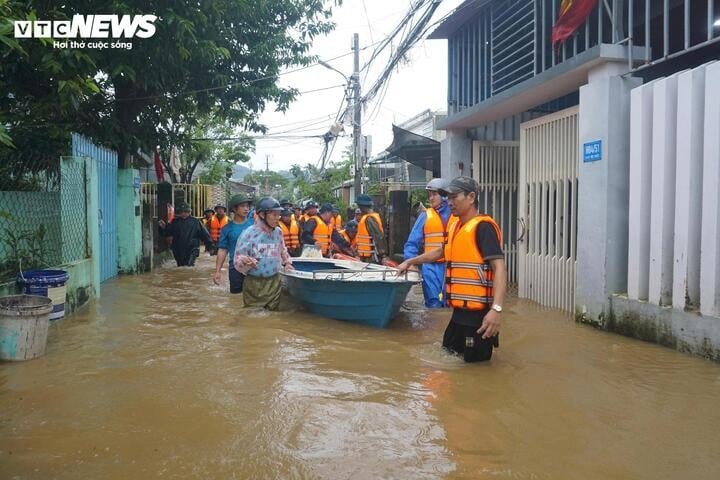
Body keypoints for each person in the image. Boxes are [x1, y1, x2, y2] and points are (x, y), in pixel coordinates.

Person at [397, 177, 507, 363]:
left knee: (476, 371)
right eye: (447, 197)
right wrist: (411, 261)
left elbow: (500, 268)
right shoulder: (455, 225)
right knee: (448, 357)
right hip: (458, 315)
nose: (449, 202)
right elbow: (441, 251)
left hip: (478, 319)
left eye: (454, 196)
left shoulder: (483, 227)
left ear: (471, 197)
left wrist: (496, 310)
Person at [403, 178, 457, 308]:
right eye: (429, 195)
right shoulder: (425, 216)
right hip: (430, 267)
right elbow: (411, 243)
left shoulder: (458, 215)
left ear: (444, 195)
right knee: (433, 303)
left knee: (452, 303)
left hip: (452, 266)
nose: (431, 198)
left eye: (434, 194)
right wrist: (411, 263)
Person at [233, 197, 293, 310]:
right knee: (253, 316)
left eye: (278, 215)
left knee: (272, 316)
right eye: (274, 215)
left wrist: (288, 263)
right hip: (254, 284)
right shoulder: (248, 234)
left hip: (275, 281)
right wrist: (246, 261)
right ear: (262, 214)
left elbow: (283, 250)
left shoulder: (278, 232)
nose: (277, 218)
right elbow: (238, 259)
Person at [213, 194, 254, 293]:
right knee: (236, 298)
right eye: (242, 206)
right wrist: (218, 271)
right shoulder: (227, 229)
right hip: (235, 268)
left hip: (254, 266)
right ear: (234, 209)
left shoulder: (254, 225)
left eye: (247, 206)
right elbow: (222, 250)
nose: (246, 209)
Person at [355, 194, 387, 264]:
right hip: (365, 257)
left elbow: (378, 237)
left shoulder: (369, 219)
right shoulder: (368, 217)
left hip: (372, 258)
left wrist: (383, 255)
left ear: (362, 206)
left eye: (359, 206)